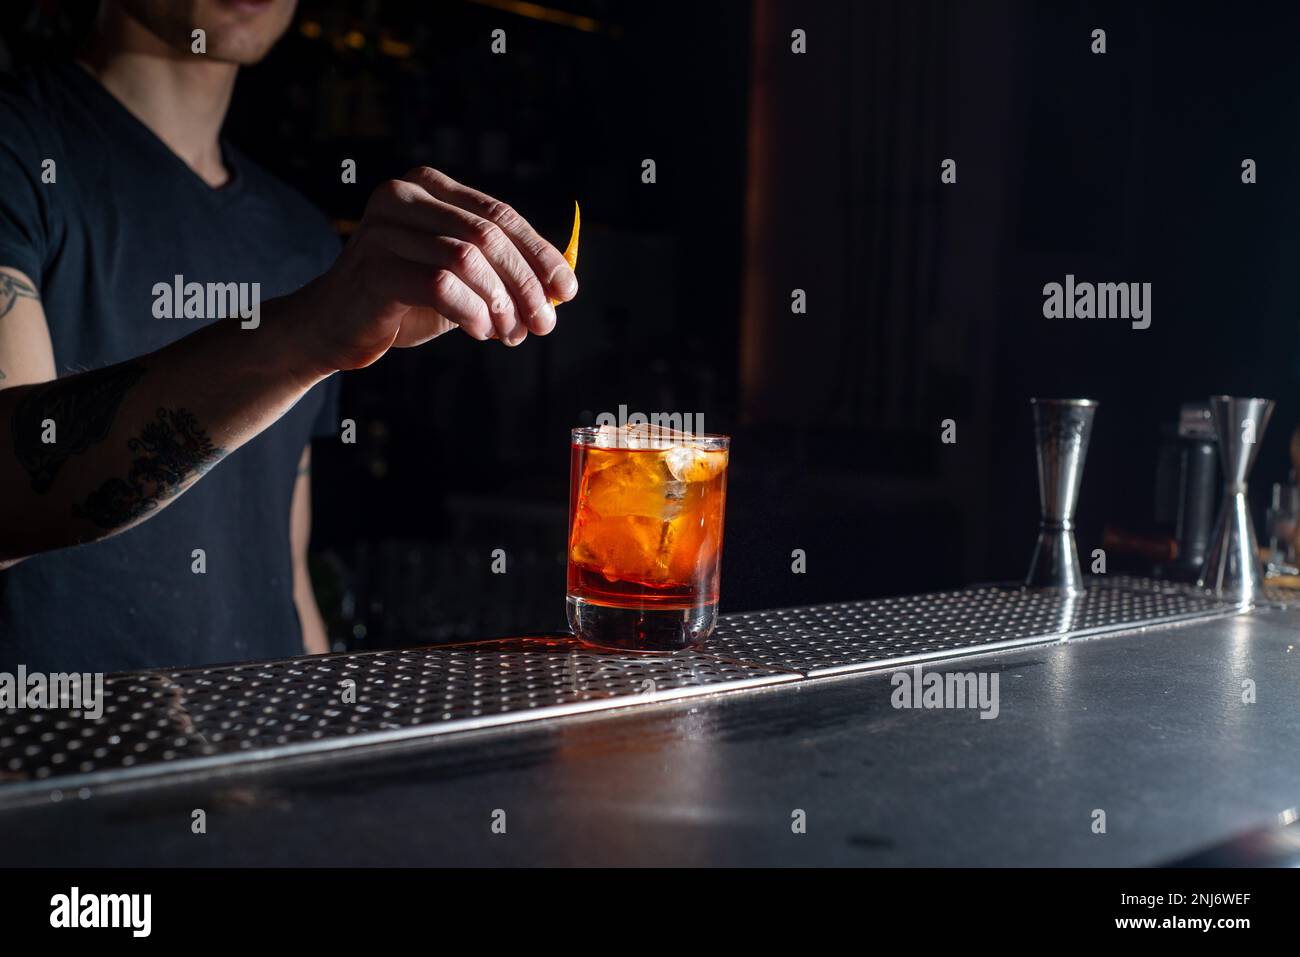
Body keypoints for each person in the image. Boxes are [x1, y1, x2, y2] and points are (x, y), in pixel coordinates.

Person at [0, 0, 578, 672]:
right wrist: (305, 331)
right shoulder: (19, 153)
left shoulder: (299, 237)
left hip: (256, 756)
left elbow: (280, 560)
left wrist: (327, 731)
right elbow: (12, 490)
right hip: (59, 761)